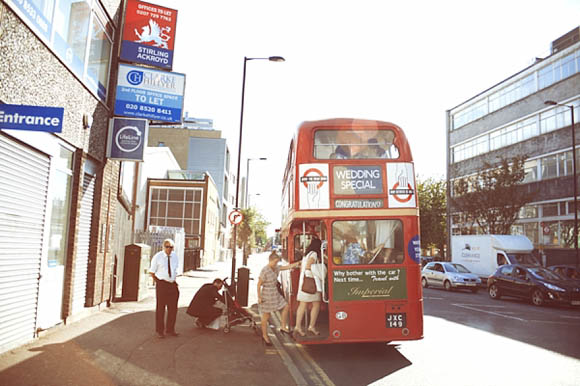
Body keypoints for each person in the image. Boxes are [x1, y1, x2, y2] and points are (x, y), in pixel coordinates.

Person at [257, 251, 299, 346]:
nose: (276, 264)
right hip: (267, 294)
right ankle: (265, 336)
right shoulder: (265, 270)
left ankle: (283, 327)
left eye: (277, 262)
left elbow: (287, 267)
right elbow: (259, 284)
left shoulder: (276, 268)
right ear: (270, 260)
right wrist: (259, 297)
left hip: (274, 292)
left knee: (286, 306)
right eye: (275, 262)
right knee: (266, 316)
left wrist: (297, 263)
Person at [149, 239, 180, 338]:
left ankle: (170, 329)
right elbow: (152, 272)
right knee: (160, 308)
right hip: (162, 284)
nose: (169, 249)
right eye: (167, 246)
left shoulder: (175, 256)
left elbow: (176, 269)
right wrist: (158, 282)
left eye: (171, 247)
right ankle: (160, 331)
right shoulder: (158, 257)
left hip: (172, 285)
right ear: (163, 247)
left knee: (173, 309)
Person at [294, 237, 324, 337]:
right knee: (316, 305)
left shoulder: (308, 254)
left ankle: (298, 326)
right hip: (311, 283)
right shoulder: (314, 254)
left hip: (304, 282)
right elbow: (308, 266)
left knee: (302, 305)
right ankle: (311, 326)